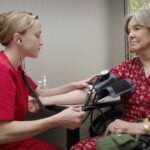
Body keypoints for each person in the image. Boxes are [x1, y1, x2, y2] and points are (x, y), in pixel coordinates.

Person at [0, 11, 98, 150]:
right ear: (18, 39)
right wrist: (56, 120)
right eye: (37, 35)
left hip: (14, 141)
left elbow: (41, 93)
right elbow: (2, 132)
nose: (42, 42)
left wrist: (75, 84)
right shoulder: (3, 69)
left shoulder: (16, 68)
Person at [70, 8, 150, 150]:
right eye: (129, 31)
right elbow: (92, 92)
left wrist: (139, 127)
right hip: (124, 137)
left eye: (136, 29)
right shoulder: (127, 67)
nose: (130, 35)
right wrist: (45, 100)